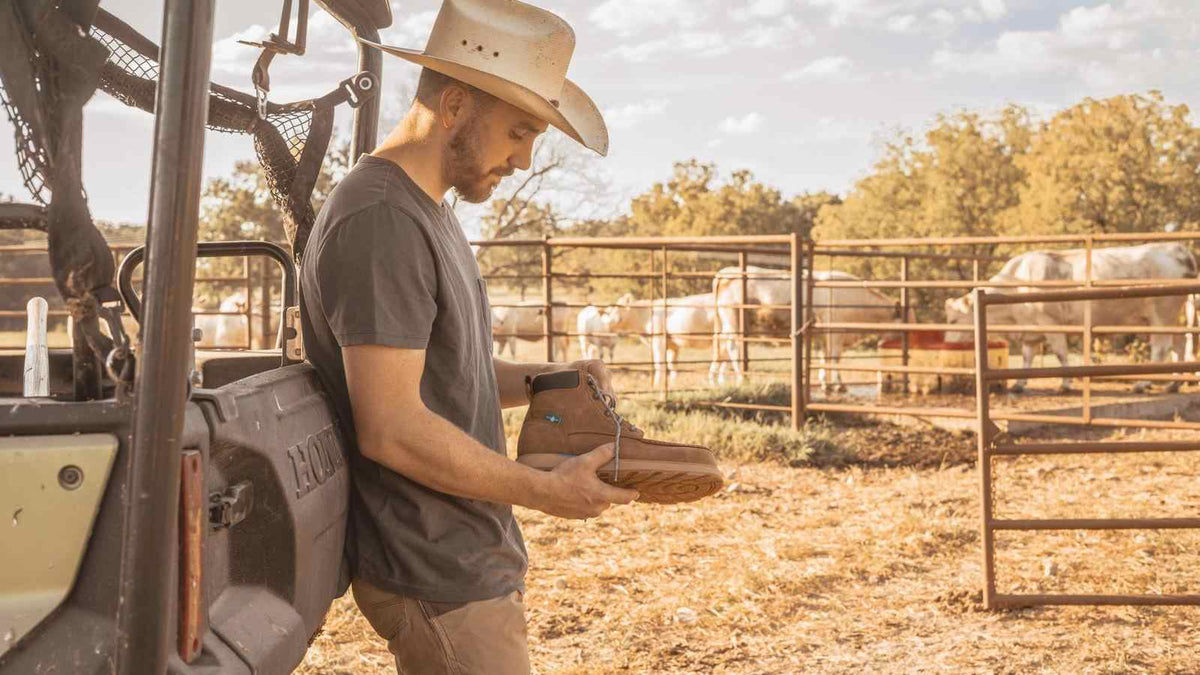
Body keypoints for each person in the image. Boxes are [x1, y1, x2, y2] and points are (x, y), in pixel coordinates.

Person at [299, 1, 632, 673]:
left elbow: (453, 374)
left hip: (464, 554)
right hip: (434, 566)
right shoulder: (382, 218)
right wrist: (544, 490)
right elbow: (391, 427)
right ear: (454, 105)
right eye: (519, 131)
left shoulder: (427, 210)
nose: (525, 158)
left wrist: (554, 377)